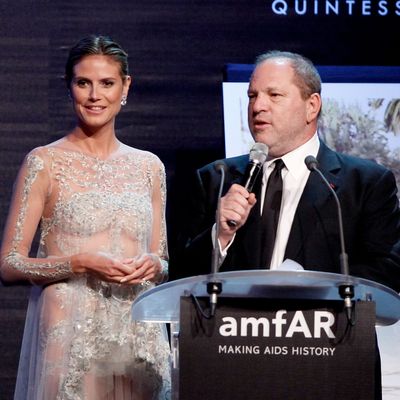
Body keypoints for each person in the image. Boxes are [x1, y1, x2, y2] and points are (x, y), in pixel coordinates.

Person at [173, 51, 400, 399]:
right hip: (232, 363)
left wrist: (305, 283)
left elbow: (387, 273)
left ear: (312, 106)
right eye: (252, 96)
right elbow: (182, 282)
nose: (257, 106)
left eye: (273, 95)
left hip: (329, 362)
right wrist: (222, 235)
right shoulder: (217, 178)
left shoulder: (364, 182)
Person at [0, 35, 171, 399]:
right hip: (71, 327)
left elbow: (163, 259)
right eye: (83, 83)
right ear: (70, 87)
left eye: (107, 83)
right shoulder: (44, 162)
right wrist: (80, 262)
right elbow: (10, 264)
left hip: (135, 328)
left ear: (125, 86)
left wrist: (152, 264)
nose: (95, 95)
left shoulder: (149, 167)